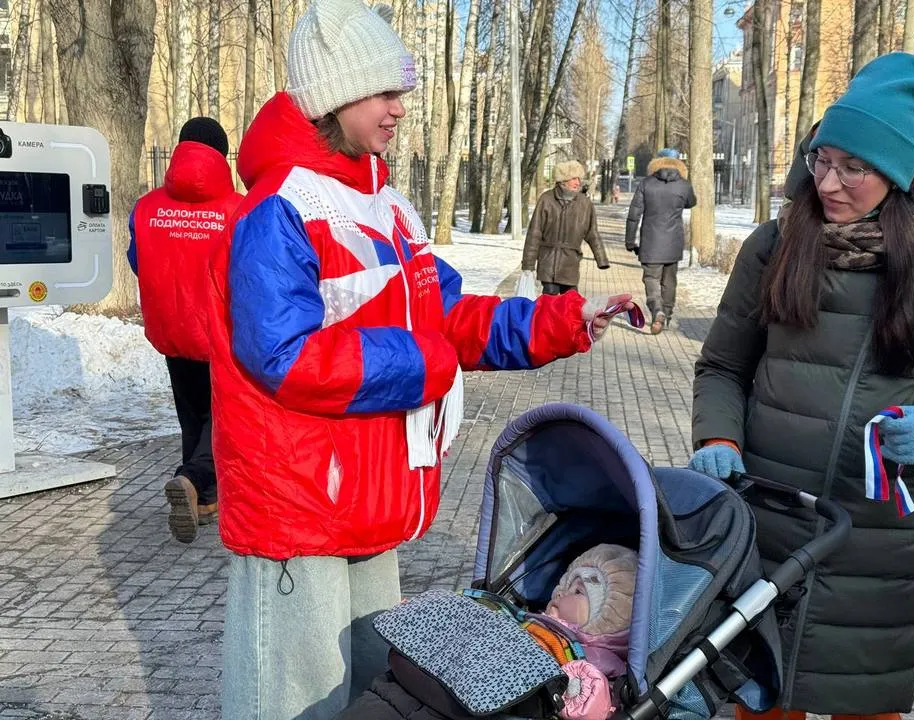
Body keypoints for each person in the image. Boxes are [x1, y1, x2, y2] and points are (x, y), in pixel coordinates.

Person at [206, 2, 636, 718]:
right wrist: (426, 363)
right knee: (296, 704)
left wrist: (564, 319)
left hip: (370, 506)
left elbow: (449, 315)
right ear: (334, 98)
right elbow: (284, 355)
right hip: (299, 512)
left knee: (377, 699)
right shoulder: (279, 208)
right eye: (383, 92)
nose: (400, 109)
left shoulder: (388, 206)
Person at [688, 53, 914, 720]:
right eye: (821, 160)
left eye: (853, 168)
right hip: (769, 520)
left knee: (863, 704)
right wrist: (719, 437)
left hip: (876, 543)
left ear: (897, 173)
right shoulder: (775, 244)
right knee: (760, 696)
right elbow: (723, 366)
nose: (828, 183)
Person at [127, 117, 243, 544]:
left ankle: (204, 500)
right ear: (222, 155)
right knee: (224, 416)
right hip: (220, 330)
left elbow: (137, 261)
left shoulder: (146, 207)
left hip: (171, 328)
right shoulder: (237, 209)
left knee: (192, 413)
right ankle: (193, 479)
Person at [624, 148, 697, 335]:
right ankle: (667, 315)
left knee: (651, 278)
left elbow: (634, 214)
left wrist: (630, 240)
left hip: (650, 242)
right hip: (674, 242)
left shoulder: (646, 184)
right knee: (669, 281)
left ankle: (657, 310)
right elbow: (691, 202)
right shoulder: (683, 185)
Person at [522, 160, 610, 295]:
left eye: (579, 179)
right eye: (573, 178)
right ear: (563, 180)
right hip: (548, 261)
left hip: (570, 262)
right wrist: (528, 264)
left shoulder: (585, 203)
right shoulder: (547, 199)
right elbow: (534, 233)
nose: (578, 182)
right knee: (550, 298)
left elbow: (592, 233)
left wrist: (601, 259)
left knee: (571, 299)